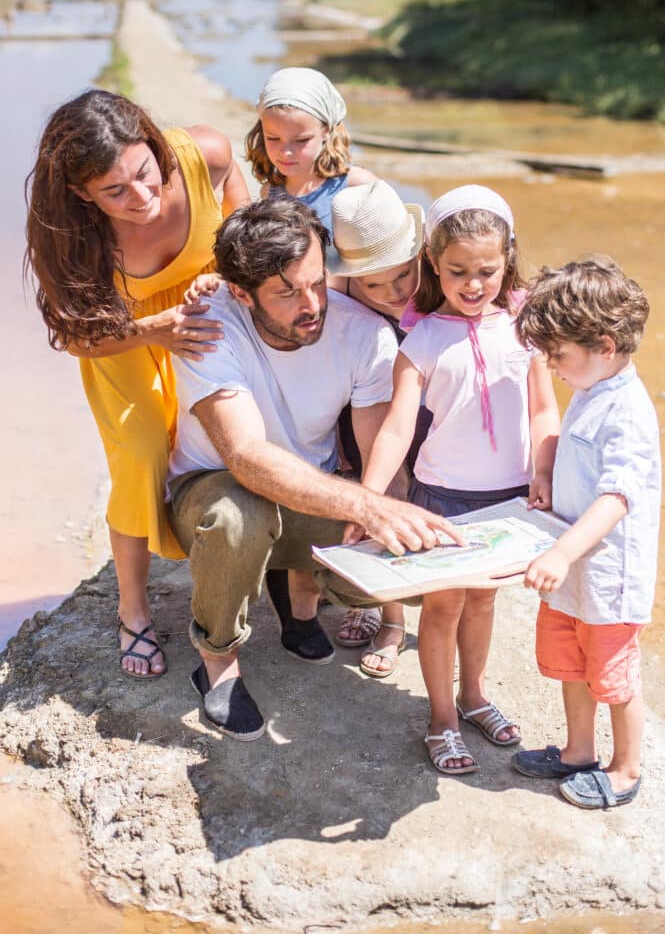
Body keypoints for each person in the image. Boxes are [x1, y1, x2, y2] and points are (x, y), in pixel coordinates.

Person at [166, 197, 462, 741]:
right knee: (241, 514)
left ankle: (302, 599)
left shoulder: (363, 333)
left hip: (309, 493)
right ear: (240, 291)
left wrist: (384, 509)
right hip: (212, 491)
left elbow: (382, 459)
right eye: (285, 293)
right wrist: (361, 504)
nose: (311, 305)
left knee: (431, 568)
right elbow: (246, 456)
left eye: (316, 283)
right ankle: (217, 663)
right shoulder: (206, 328)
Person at [24, 88, 249, 680]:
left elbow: (239, 210)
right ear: (81, 194)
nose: (143, 198)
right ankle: (133, 609)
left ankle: (270, 571)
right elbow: (75, 338)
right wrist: (153, 328)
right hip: (124, 332)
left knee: (237, 431)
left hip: (205, 317)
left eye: (145, 174)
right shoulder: (70, 233)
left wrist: (232, 274)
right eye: (115, 193)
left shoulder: (206, 154)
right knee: (145, 450)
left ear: (153, 146)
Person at [356, 184, 560, 774]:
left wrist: (543, 467)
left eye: (487, 271)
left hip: (507, 498)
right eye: (458, 271)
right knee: (441, 609)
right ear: (433, 267)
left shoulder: (526, 331)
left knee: (482, 603)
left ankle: (473, 697)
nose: (474, 284)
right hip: (441, 497)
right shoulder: (420, 341)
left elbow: (544, 408)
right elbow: (395, 429)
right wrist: (368, 499)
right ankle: (441, 718)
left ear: (508, 261)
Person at [512, 259, 659, 810]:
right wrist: (546, 476)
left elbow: (618, 498)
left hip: (606, 572)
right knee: (571, 661)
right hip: (572, 565)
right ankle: (578, 750)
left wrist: (561, 550)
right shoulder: (592, 382)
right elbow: (576, 456)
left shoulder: (629, 410)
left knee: (613, 674)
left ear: (603, 344)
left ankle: (625, 768)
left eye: (558, 355)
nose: (550, 366)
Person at [326, 179, 430, 677]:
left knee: (418, 488)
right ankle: (384, 611)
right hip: (363, 404)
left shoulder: (434, 282)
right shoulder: (338, 296)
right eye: (375, 284)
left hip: (424, 403)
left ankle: (424, 594)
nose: (394, 292)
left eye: (403, 275)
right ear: (350, 279)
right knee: (374, 483)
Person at [245, 66, 375, 235]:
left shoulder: (358, 185)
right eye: (273, 138)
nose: (286, 152)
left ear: (326, 130)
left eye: (301, 140)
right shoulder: (270, 193)